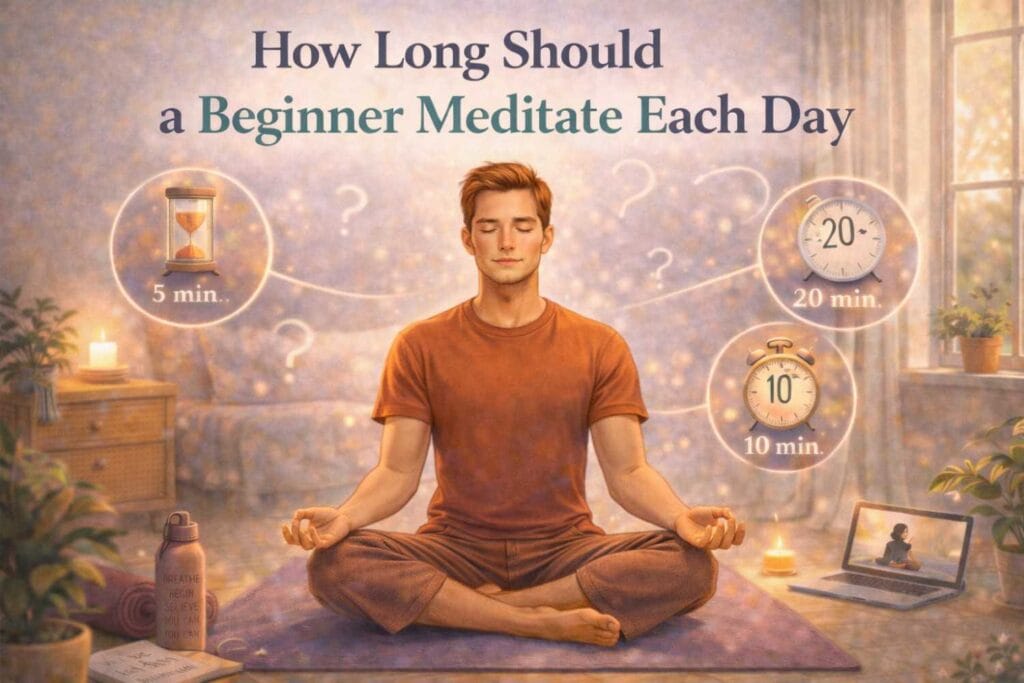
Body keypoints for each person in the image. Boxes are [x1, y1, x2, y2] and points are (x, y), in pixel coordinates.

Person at [282, 161, 746, 647]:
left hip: (565, 550)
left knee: (690, 566)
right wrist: (346, 517)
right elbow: (396, 473)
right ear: (468, 240)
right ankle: (536, 620)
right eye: (489, 227)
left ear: (546, 238)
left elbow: (628, 472)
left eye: (523, 227)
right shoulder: (419, 345)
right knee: (335, 565)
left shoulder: (599, 345)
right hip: (455, 548)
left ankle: (483, 608)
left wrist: (679, 516)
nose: (506, 242)